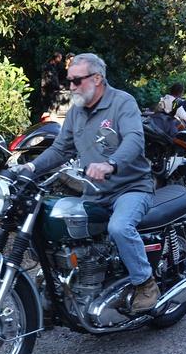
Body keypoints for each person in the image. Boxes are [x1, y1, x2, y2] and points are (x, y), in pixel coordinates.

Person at [17, 53, 158, 313]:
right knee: (59, 228)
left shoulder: (122, 102)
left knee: (119, 227)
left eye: (75, 81)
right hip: (94, 192)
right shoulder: (76, 112)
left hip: (131, 188)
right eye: (68, 80)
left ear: (97, 78)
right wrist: (30, 167)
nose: (70, 87)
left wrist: (111, 164)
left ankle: (145, 283)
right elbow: (61, 149)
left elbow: (135, 140)